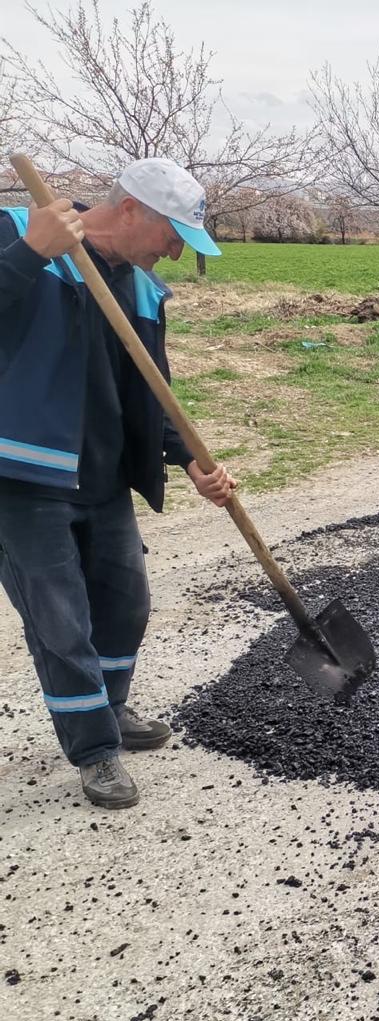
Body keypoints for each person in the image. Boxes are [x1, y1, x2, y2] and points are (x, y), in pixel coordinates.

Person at [0, 158, 236, 809]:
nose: (175, 250)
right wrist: (25, 254)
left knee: (125, 605)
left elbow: (152, 394)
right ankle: (95, 750)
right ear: (131, 209)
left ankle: (113, 709)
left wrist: (189, 458)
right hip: (23, 472)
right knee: (61, 621)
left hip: (103, 476)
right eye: (172, 234)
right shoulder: (23, 232)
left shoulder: (142, 290)